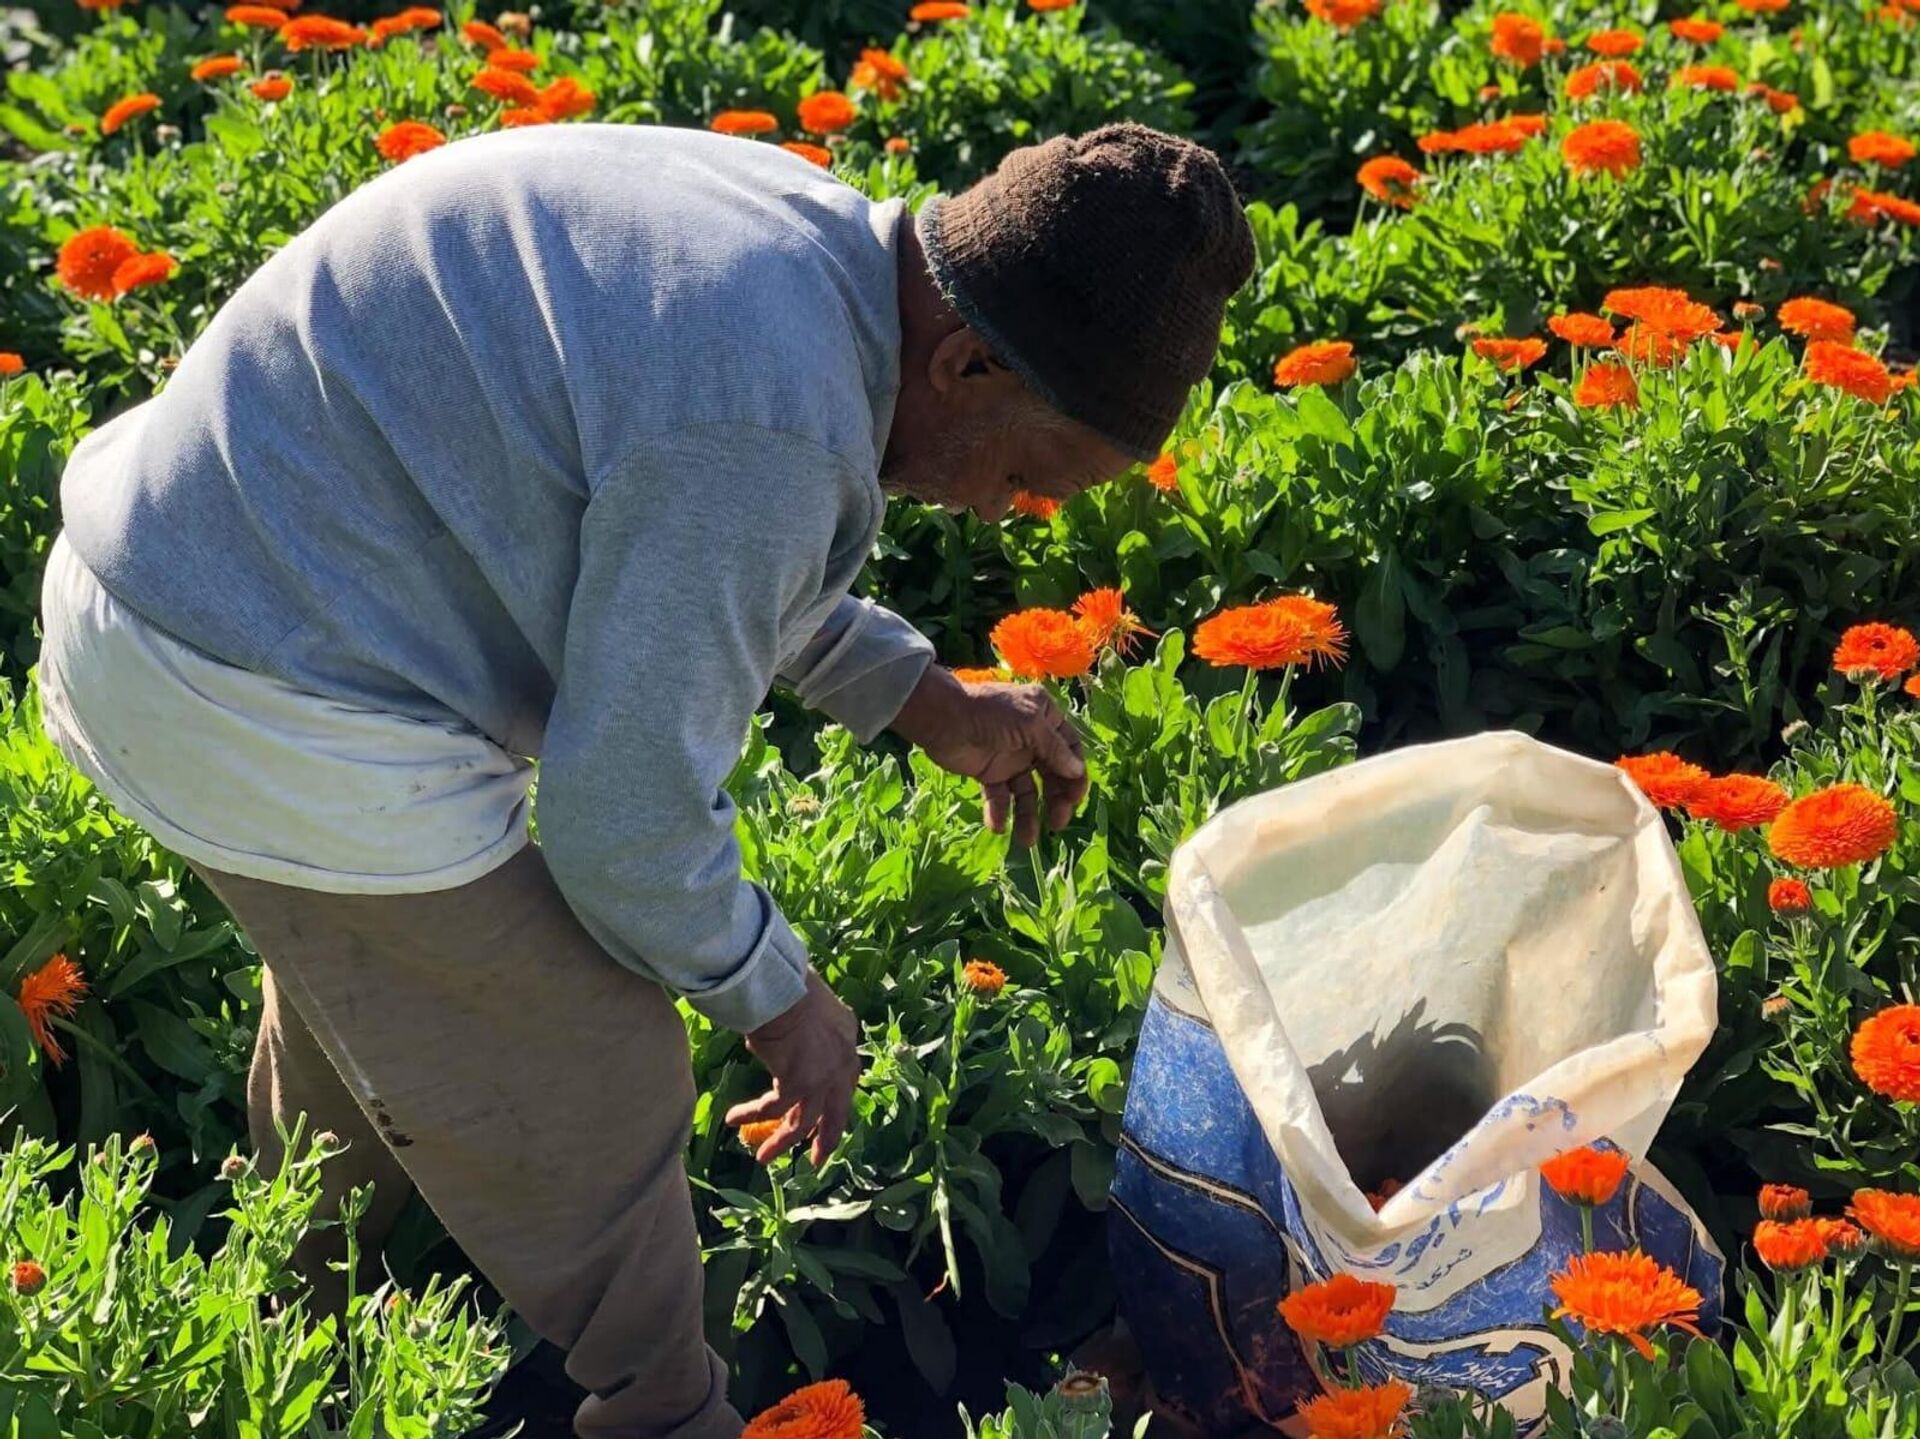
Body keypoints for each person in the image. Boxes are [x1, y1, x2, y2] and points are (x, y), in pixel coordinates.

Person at [36, 120, 1254, 1438]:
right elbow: (619, 824)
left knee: (393, 981)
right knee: (599, 1055)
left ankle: (277, 1323)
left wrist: (924, 697)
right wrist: (782, 1001)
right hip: (246, 673)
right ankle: (667, 1415)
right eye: (1027, 474)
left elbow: (681, 535)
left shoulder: (818, 258)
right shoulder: (767, 424)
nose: (1006, 512)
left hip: (201, 575)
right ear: (966, 358)